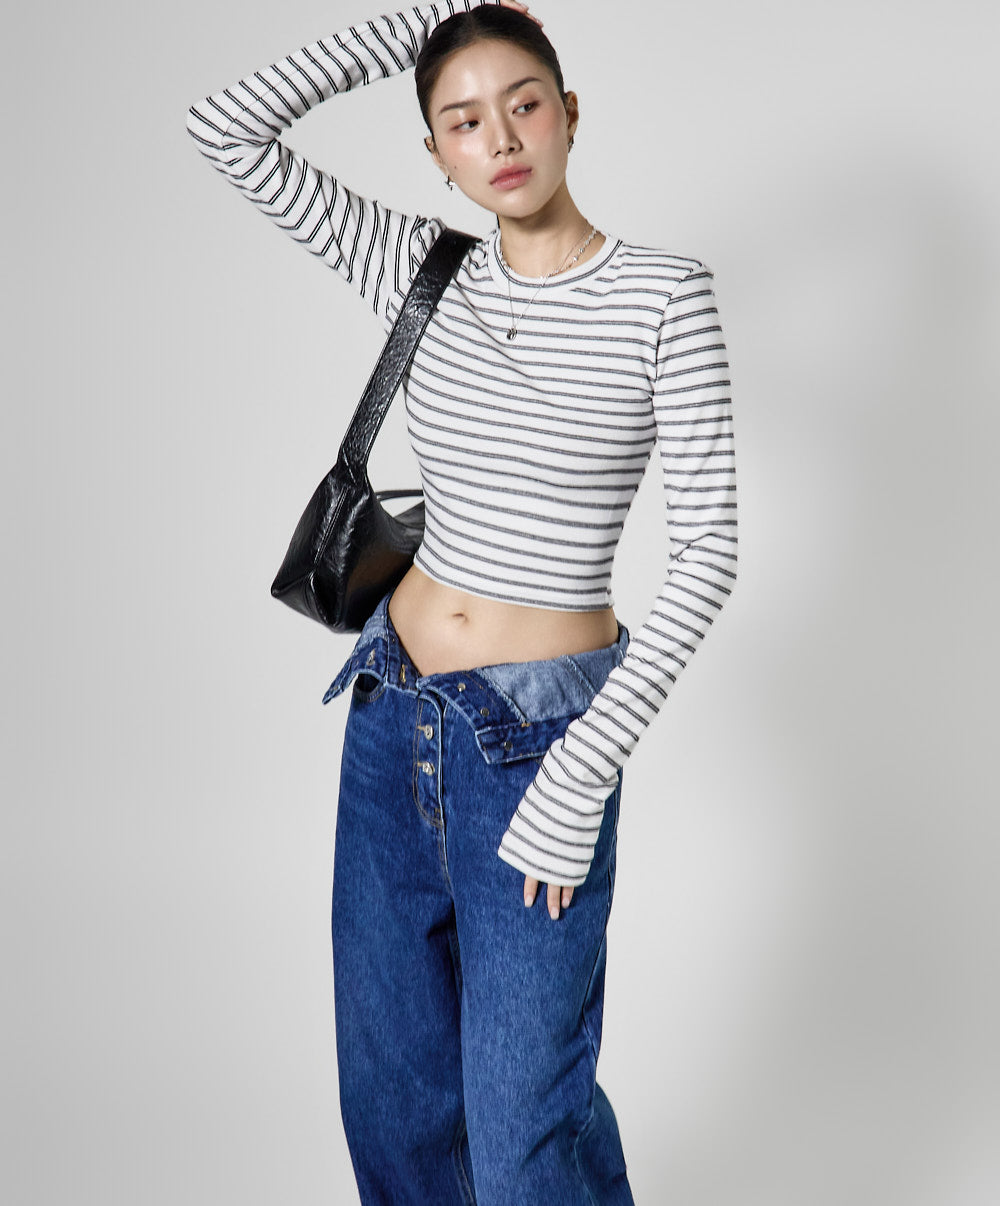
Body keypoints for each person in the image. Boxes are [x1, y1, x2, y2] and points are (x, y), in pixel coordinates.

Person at [187, 1, 737, 1200]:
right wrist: (436, 19)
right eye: (464, 119)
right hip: (391, 715)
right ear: (434, 151)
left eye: (524, 102)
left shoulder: (663, 295)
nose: (502, 136)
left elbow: (707, 552)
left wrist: (581, 774)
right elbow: (224, 127)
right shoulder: (419, 267)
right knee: (395, 1108)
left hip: (540, 745)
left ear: (570, 113)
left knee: (525, 1126)